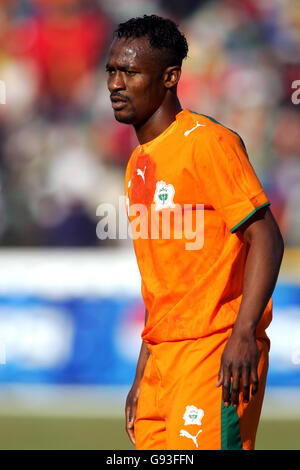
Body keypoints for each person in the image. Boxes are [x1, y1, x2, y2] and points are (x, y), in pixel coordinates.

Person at [106, 14, 284, 450]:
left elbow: (266, 236)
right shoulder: (138, 164)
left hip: (213, 350)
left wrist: (243, 334)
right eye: (111, 70)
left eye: (130, 72)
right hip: (162, 363)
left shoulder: (208, 142)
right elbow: (164, 281)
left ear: (169, 77)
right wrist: (142, 372)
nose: (115, 83)